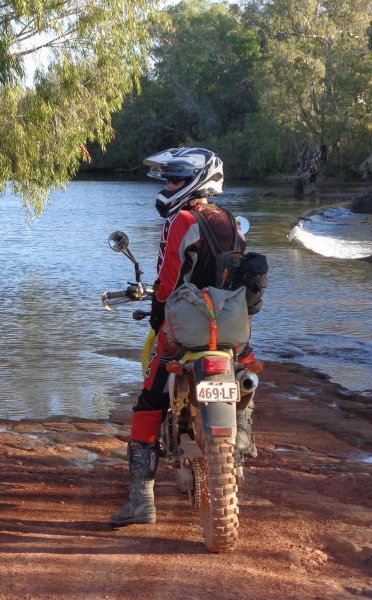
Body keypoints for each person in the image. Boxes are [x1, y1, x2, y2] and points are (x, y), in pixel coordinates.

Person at [110, 147, 255, 527]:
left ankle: (142, 501)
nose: (169, 185)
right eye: (170, 179)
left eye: (175, 179)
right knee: (246, 369)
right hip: (229, 327)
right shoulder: (232, 222)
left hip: (187, 328)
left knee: (148, 400)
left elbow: (169, 279)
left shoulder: (182, 221)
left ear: (195, 180)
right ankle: (242, 437)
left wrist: (158, 314)